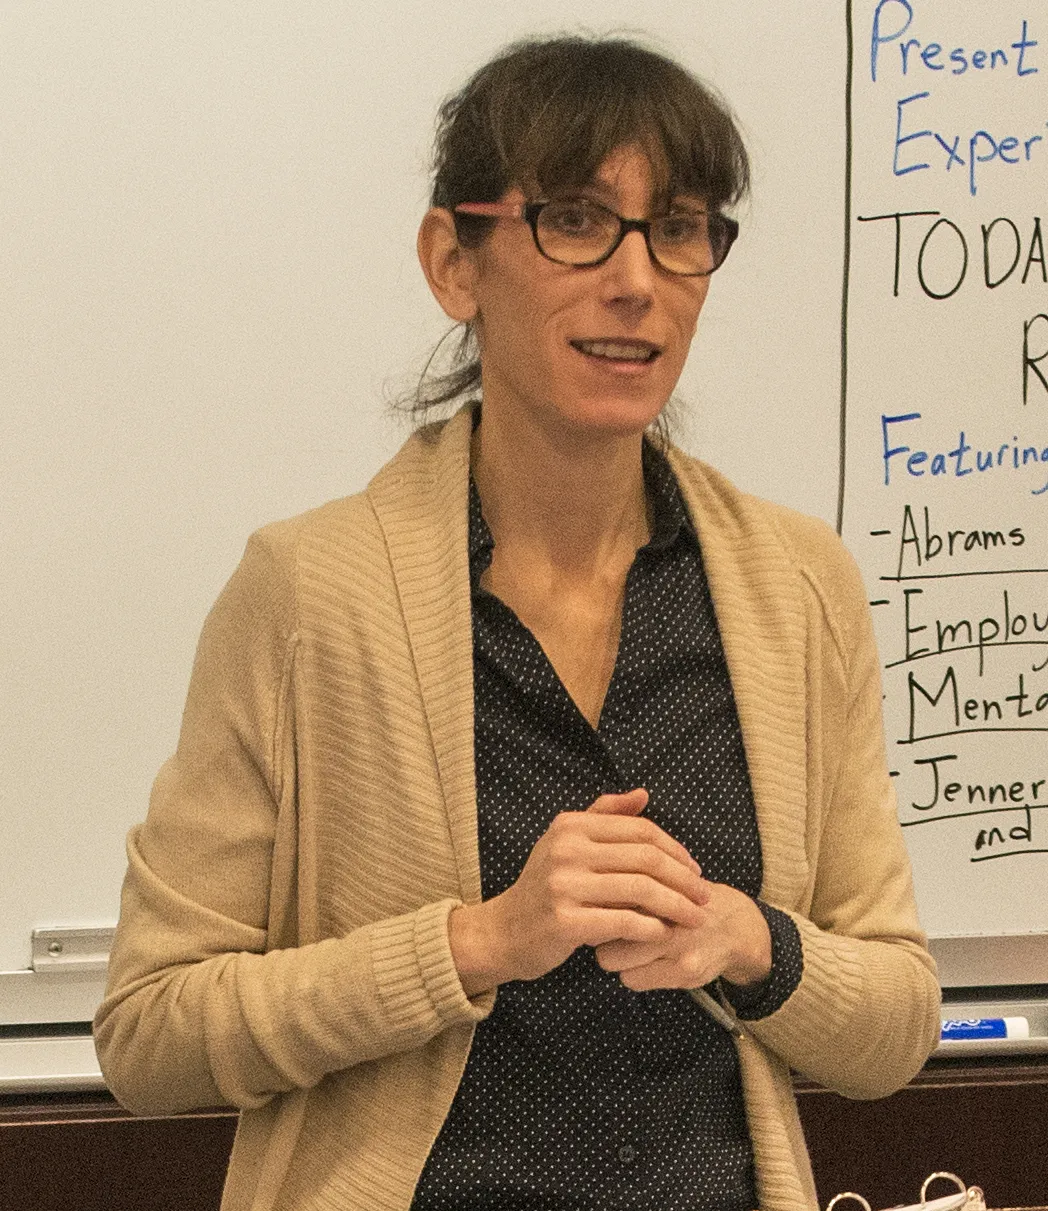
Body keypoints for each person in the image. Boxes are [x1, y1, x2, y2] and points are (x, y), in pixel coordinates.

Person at [94, 33, 941, 1211]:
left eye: (678, 227)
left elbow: (896, 1021)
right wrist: (476, 942)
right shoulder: (306, 593)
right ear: (455, 262)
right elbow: (148, 1032)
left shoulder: (797, 586)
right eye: (576, 220)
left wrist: (751, 940)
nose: (637, 279)